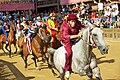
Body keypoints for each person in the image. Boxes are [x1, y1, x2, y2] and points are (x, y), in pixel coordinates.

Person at [60, 13, 85, 78]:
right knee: (69, 52)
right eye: (72, 21)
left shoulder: (77, 23)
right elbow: (66, 36)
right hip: (66, 41)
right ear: (68, 21)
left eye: (74, 21)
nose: (74, 23)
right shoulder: (65, 25)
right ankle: (67, 69)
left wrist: (83, 30)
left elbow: (83, 27)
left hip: (75, 39)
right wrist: (77, 35)